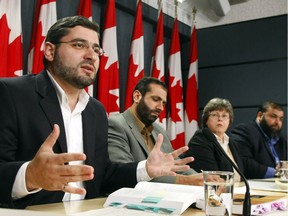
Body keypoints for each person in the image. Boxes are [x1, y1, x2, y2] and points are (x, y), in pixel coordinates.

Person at [0, 16, 193, 209]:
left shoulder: (96, 110)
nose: (91, 56)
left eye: (96, 49)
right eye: (79, 45)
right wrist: (29, 176)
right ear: (50, 51)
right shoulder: (12, 93)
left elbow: (103, 175)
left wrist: (146, 169)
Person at [108, 77, 203, 185]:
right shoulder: (115, 125)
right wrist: (185, 181)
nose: (161, 108)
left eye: (163, 103)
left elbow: (177, 166)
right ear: (137, 96)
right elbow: (125, 173)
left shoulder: (159, 131)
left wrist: (204, 179)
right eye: (156, 99)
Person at [183, 98, 244, 182]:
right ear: (206, 120)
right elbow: (213, 178)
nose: (220, 119)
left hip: (238, 190)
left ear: (229, 121)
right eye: (215, 115)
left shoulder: (231, 143)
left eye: (224, 116)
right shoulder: (200, 140)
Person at [230, 101, 287, 179]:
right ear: (260, 115)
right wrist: (276, 173)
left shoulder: (282, 139)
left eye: (281, 119)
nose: (278, 122)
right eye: (273, 116)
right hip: (254, 185)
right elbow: (243, 162)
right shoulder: (244, 131)